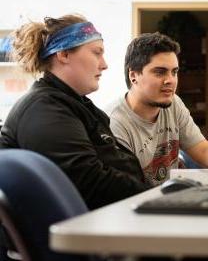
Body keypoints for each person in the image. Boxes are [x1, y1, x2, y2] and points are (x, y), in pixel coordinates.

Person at [0, 14, 150, 210]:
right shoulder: (44, 109)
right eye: (97, 53)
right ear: (63, 55)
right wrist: (155, 194)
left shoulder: (75, 104)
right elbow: (89, 182)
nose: (104, 64)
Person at [107, 32, 208, 187]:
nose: (170, 80)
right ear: (133, 76)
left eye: (174, 72)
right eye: (160, 72)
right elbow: (127, 187)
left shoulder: (173, 103)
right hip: (142, 204)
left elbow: (203, 150)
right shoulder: (114, 122)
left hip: (172, 197)